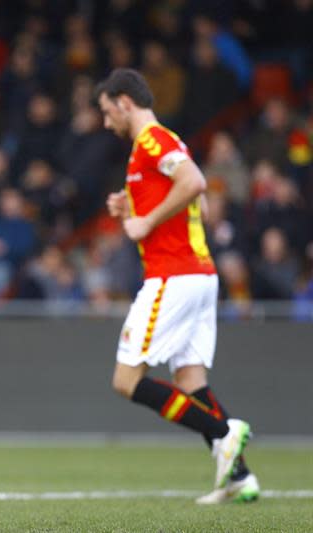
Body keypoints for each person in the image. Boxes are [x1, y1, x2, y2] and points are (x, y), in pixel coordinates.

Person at [95, 68, 259, 504]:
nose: (106, 120)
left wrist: (146, 219)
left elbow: (196, 185)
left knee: (126, 379)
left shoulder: (152, 140)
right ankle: (239, 476)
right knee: (190, 380)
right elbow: (197, 203)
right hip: (199, 275)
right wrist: (133, 205)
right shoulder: (164, 143)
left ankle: (224, 432)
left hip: (174, 275)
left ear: (124, 102)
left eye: (107, 110)